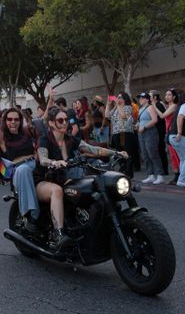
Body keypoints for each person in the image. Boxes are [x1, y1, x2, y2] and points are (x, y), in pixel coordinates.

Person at [37, 106, 129, 251]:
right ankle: (58, 234)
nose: (64, 123)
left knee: (87, 187)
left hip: (63, 178)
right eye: (60, 120)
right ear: (51, 123)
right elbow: (42, 158)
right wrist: (53, 162)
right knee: (57, 191)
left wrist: (115, 153)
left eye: (66, 120)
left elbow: (93, 149)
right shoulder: (45, 139)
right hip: (44, 180)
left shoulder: (70, 139)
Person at [0, 92, 40, 234]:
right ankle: (31, 216)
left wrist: (51, 99)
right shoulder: (2, 138)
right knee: (24, 170)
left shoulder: (27, 133)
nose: (13, 122)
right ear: (5, 121)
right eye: (9, 119)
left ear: (20, 121)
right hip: (18, 170)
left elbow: (45, 121)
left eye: (16, 119)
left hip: (36, 166)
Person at [105, 92, 137, 177]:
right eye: (117, 97)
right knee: (119, 153)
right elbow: (107, 115)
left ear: (124, 99)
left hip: (125, 133)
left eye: (119, 97)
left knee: (127, 153)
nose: (117, 99)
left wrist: (117, 105)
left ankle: (129, 173)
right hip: (116, 133)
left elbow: (123, 116)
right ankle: (123, 170)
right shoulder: (116, 108)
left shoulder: (128, 107)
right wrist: (108, 104)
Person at [136, 92, 165, 184]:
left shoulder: (150, 107)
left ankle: (160, 175)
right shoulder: (141, 109)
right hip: (141, 133)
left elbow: (154, 120)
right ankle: (151, 175)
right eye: (139, 98)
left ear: (147, 99)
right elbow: (141, 121)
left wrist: (144, 127)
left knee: (153, 153)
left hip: (150, 132)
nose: (140, 99)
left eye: (142, 98)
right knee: (145, 154)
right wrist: (137, 125)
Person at [155, 89, 180, 183]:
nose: (167, 96)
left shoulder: (173, 106)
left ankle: (179, 175)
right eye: (166, 94)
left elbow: (162, 116)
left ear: (174, 97)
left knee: (175, 154)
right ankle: (176, 174)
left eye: (169, 95)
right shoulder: (169, 105)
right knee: (172, 155)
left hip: (172, 132)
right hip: (168, 132)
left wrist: (154, 106)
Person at [151, 90, 170, 176]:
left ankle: (164, 170)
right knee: (158, 150)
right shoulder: (154, 105)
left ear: (155, 97)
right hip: (156, 130)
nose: (148, 97)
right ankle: (161, 169)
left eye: (150, 96)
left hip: (160, 130)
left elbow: (162, 116)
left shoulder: (158, 104)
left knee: (161, 150)